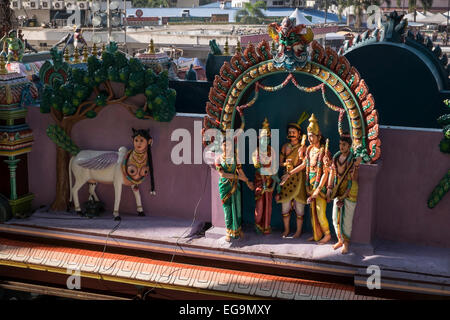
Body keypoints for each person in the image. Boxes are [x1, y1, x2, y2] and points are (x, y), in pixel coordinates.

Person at [282, 114, 332, 244]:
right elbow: (304, 165)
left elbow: (326, 173)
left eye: (312, 136)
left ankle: (327, 235)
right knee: (313, 214)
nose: (310, 138)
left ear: (318, 136)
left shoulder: (323, 152)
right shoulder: (309, 149)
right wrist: (290, 173)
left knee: (320, 213)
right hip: (310, 186)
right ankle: (316, 235)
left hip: (320, 187)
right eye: (309, 135)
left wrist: (318, 190)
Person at [326, 133, 361, 254]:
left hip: (350, 191)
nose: (341, 147)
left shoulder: (352, 159)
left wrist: (356, 166)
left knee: (346, 219)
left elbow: (354, 179)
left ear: (349, 146)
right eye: (340, 144)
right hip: (338, 189)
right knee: (335, 217)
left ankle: (346, 243)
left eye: (344, 145)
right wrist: (330, 187)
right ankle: (340, 239)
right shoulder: (336, 157)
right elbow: (332, 172)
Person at [216, 139, 254, 242]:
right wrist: (238, 177)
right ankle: (228, 231)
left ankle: (237, 230)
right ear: (221, 147)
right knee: (227, 209)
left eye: (228, 145)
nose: (226, 147)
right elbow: (223, 174)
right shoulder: (218, 159)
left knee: (237, 209)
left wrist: (247, 182)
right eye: (224, 145)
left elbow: (240, 171)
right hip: (225, 187)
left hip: (235, 186)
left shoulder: (235, 158)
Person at [275, 118, 308, 238]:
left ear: (299, 134)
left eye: (294, 132)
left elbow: (305, 164)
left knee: (299, 208)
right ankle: (287, 229)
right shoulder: (285, 147)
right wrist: (286, 164)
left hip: (299, 179)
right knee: (285, 207)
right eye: (289, 132)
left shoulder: (303, 148)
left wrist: (300, 156)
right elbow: (280, 163)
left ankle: (298, 231)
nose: (291, 134)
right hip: (286, 179)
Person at [252, 118, 279, 235]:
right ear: (259, 139)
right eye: (263, 138)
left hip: (269, 183)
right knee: (260, 207)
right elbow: (259, 168)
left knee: (268, 207)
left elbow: (275, 168)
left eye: (267, 138)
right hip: (259, 183)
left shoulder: (271, 151)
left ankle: (266, 227)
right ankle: (258, 225)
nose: (265, 141)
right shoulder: (256, 152)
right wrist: (273, 176)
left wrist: (275, 183)